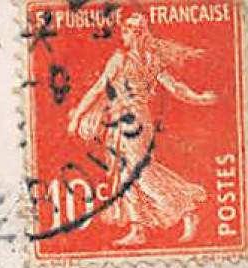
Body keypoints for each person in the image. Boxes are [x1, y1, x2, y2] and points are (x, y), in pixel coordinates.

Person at [65, 11, 218, 246]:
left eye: (126, 32)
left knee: (140, 173)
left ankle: (186, 208)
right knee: (125, 174)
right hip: (129, 120)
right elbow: (176, 88)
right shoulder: (149, 60)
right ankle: (138, 229)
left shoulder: (123, 59)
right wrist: (198, 98)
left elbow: (98, 88)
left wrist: (77, 115)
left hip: (130, 122)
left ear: (136, 34)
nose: (123, 36)